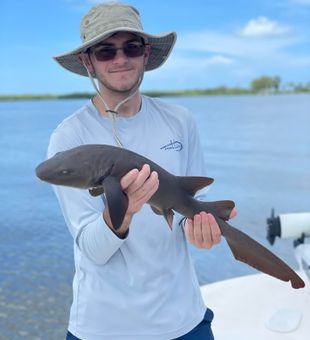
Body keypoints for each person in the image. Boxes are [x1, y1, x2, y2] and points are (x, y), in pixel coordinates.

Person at [49, 2, 236, 339]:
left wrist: (200, 230)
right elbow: (93, 250)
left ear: (145, 53)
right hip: (102, 327)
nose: (120, 58)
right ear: (87, 60)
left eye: (130, 46)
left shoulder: (180, 120)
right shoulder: (69, 139)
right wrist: (127, 208)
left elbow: (190, 205)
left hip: (183, 320)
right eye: (105, 51)